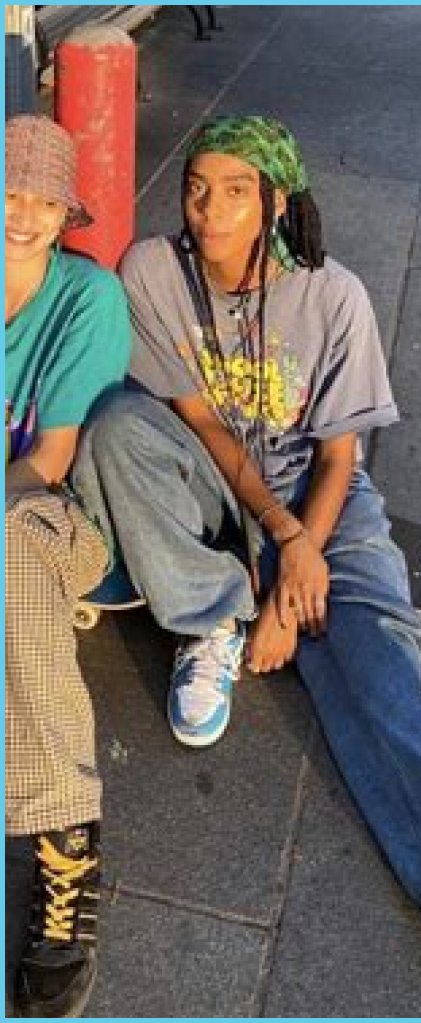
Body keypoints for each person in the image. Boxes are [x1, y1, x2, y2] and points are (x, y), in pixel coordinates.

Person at [71, 115, 421, 1018]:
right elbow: (203, 423)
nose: (209, 208)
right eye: (196, 186)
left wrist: (304, 552)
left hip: (320, 498)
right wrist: (276, 547)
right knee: (115, 427)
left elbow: (340, 458)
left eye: (234, 191)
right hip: (210, 483)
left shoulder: (334, 297)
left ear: (276, 203)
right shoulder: (152, 269)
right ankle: (210, 613)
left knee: (385, 662)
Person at [5, 115, 133, 1018]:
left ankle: (63, 837)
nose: (24, 215)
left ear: (65, 213)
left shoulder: (87, 299)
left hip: (56, 521)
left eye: (45, 200)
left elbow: (48, 458)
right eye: (9, 193)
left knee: (10, 555)